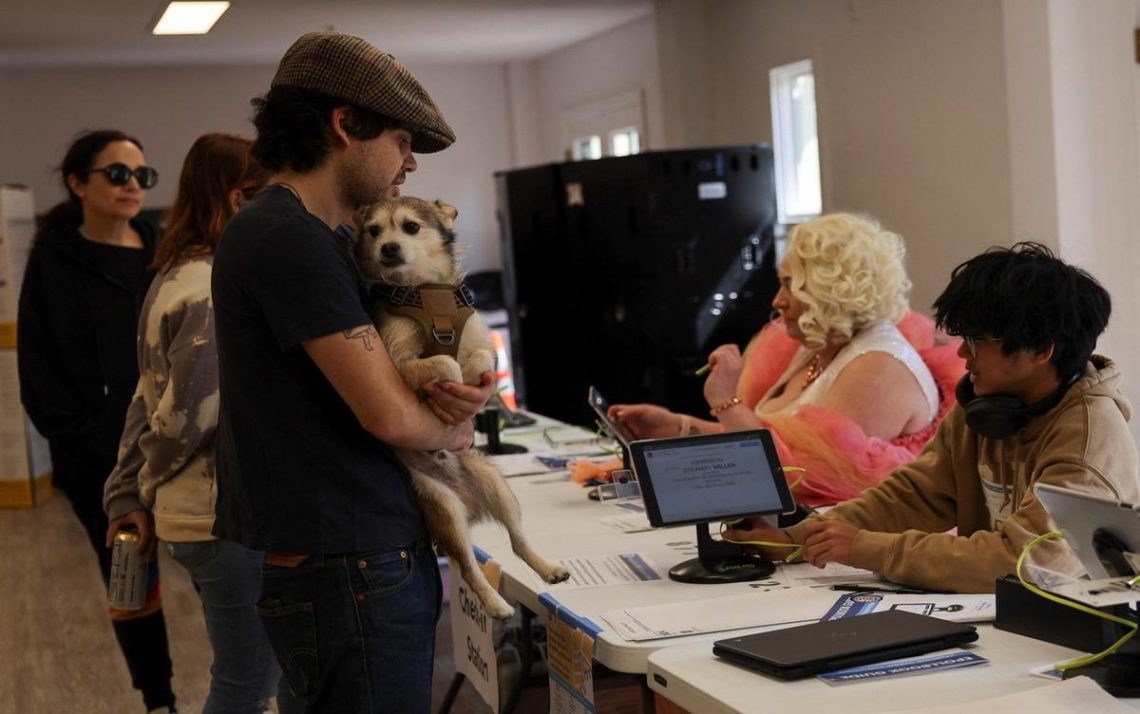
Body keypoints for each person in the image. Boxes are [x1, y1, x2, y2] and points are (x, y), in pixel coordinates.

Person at [210, 32, 493, 712]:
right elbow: (390, 414)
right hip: (349, 567)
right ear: (346, 125)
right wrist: (455, 432)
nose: (411, 164)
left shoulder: (316, 238)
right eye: (401, 141)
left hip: (350, 560)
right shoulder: (288, 238)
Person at [724, 242, 1140, 593]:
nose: (962, 354)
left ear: (1039, 350)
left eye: (977, 342)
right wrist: (796, 540)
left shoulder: (1088, 440)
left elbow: (1027, 561)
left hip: (1072, 636)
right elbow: (913, 495)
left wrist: (866, 548)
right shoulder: (986, 408)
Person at [101, 133, 301, 714]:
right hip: (216, 518)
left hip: (207, 518)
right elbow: (188, 417)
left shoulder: (174, 272)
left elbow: (146, 397)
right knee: (245, 682)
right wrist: (140, 485)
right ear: (241, 200)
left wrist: (127, 487)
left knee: (261, 674)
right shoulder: (210, 287)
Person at [608, 213, 964, 505]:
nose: (777, 301)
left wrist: (725, 401)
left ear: (833, 290)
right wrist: (676, 427)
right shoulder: (816, 346)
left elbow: (793, 477)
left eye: (792, 285)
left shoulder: (878, 368)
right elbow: (776, 440)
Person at [17, 130, 177, 712]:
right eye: (116, 174)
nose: (132, 185)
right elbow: (38, 368)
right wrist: (83, 440)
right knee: (130, 576)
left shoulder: (163, 252)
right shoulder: (54, 261)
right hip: (100, 460)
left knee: (214, 573)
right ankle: (157, 697)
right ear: (78, 183)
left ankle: (240, 684)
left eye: (141, 175)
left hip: (175, 449)